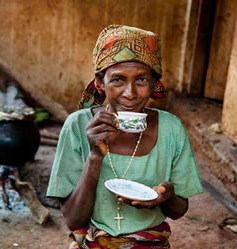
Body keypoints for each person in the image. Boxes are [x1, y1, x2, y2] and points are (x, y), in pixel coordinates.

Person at [47, 24, 203, 249]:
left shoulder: (171, 129)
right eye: (118, 80)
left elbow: (179, 211)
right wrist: (94, 156)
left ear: (153, 84)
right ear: (101, 83)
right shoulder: (78, 125)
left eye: (141, 80)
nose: (130, 93)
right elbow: (73, 220)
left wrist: (166, 197)